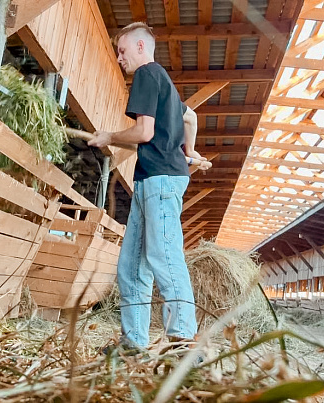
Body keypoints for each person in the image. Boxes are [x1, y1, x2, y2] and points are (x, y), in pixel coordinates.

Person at [88, 22, 208, 350]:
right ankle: (133, 343)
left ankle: (183, 343)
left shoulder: (145, 74)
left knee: (165, 257)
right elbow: (191, 118)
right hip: (150, 180)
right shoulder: (164, 83)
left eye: (122, 50)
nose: (118, 58)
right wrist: (189, 151)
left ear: (141, 48)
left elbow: (143, 133)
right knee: (131, 267)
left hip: (160, 181)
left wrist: (110, 136)